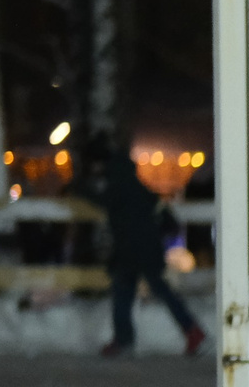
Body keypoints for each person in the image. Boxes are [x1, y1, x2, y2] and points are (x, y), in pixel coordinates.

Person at [76, 136, 205, 357]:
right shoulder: (129, 177)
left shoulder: (117, 179)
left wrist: (79, 189)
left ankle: (126, 340)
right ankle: (191, 331)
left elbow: (106, 200)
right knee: (149, 290)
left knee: (126, 291)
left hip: (133, 248)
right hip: (144, 246)